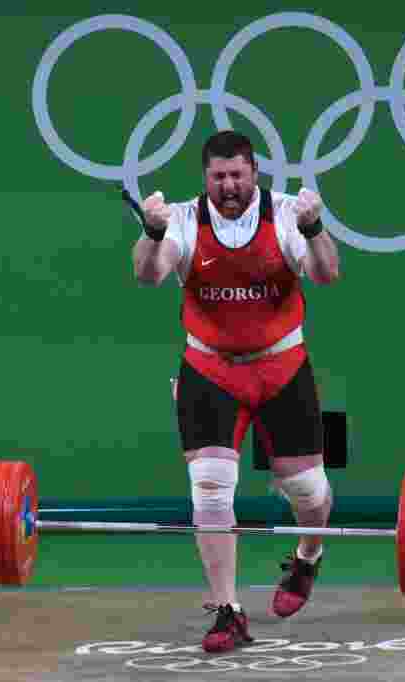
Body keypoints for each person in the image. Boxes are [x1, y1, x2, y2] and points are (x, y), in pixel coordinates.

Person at [130, 130, 342, 653]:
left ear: (254, 174)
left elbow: (327, 273)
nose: (228, 185)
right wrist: (151, 233)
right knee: (209, 487)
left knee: (309, 493)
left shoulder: (289, 213)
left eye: (237, 176)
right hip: (209, 370)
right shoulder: (181, 219)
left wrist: (315, 227)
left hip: (283, 369)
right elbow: (148, 275)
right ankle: (229, 610)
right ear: (206, 179)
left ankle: (308, 558)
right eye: (218, 177)